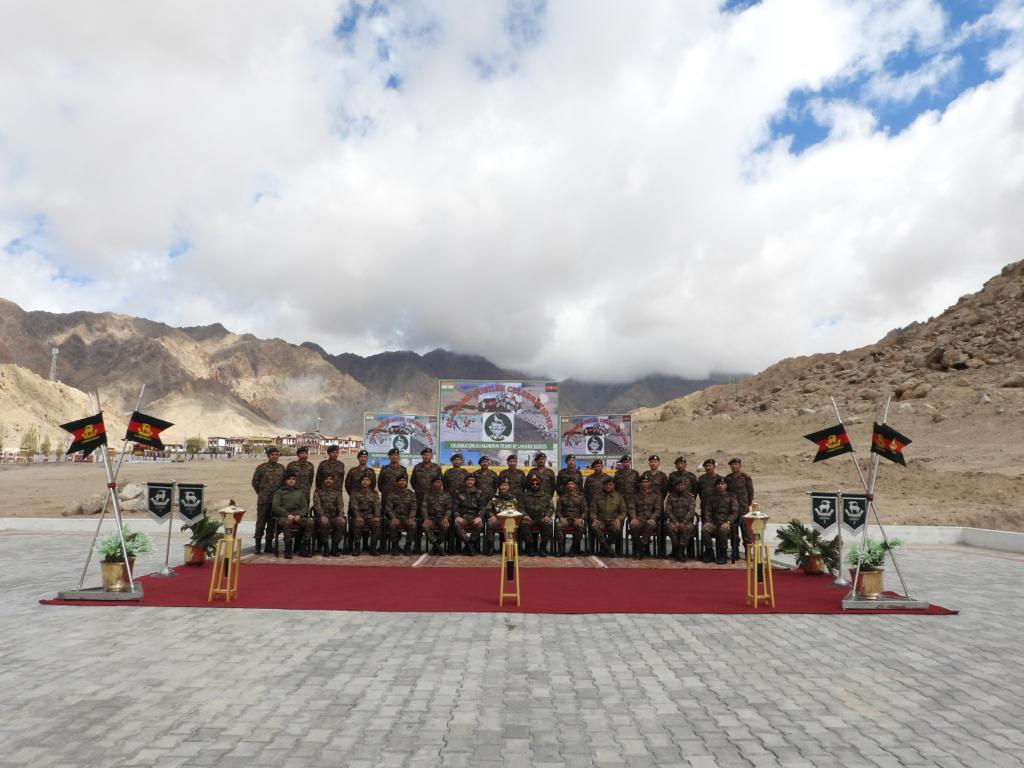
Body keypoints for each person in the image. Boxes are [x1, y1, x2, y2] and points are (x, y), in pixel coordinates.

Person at [251, 446, 286, 554]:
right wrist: (261, 493)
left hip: (276, 501)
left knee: (272, 524)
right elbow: (255, 482)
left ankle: (268, 545)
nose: (275, 457)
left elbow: (283, 483)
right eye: (272, 455)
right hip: (264, 500)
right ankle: (257, 546)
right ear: (268, 456)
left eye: (276, 455)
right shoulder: (261, 467)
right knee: (261, 523)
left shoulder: (281, 468)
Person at [272, 470, 312, 559]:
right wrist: (287, 515)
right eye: (289, 479)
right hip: (283, 517)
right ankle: (288, 549)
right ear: (285, 480)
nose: (291, 481)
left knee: (310, 523)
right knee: (287, 523)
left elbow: (305, 507)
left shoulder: (299, 492)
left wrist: (300, 515)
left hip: (297, 516)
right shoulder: (279, 492)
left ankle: (303, 548)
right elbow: (276, 506)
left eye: (293, 479)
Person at [410, 448, 442, 553]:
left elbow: (439, 481)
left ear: (431, 456)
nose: (426, 456)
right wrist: (420, 491)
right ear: (422, 456)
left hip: (433, 500)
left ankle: (435, 546)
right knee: (418, 522)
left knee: (434, 519)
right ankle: (417, 545)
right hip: (419, 499)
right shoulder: (417, 467)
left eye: (428, 455)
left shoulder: (436, 468)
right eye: (424, 455)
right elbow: (413, 482)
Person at [701, 476, 738, 564]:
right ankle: (710, 552)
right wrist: (707, 521)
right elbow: (708, 511)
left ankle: (722, 554)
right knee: (705, 530)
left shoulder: (731, 497)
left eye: (722, 484)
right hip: (714, 523)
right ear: (715, 486)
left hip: (726, 524)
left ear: (726, 485)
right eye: (718, 484)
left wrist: (728, 522)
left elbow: (734, 512)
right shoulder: (711, 497)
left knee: (722, 530)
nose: (720, 486)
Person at [724, 457, 755, 556]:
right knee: (733, 532)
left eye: (736, 464)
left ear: (740, 465)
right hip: (732, 509)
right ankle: (735, 551)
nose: (734, 466)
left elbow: (750, 492)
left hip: (743, 508)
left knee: (746, 531)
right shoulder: (727, 478)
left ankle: (748, 552)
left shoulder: (745, 477)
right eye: (732, 464)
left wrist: (747, 504)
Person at [590, 476, 626, 557]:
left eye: (610, 484)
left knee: (616, 528)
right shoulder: (597, 496)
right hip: (601, 520)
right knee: (595, 526)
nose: (608, 486)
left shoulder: (619, 497)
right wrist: (594, 518)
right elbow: (592, 511)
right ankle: (609, 549)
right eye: (606, 485)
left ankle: (604, 548)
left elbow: (623, 512)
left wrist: (618, 518)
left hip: (613, 520)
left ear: (614, 486)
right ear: (603, 486)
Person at [312, 473, 346, 557]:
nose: (328, 481)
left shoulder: (337, 493)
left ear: (333, 481)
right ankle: (326, 546)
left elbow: (340, 506)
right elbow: (317, 506)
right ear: (323, 481)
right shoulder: (318, 492)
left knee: (341, 523)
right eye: (326, 479)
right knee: (325, 523)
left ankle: (334, 546)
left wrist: (341, 516)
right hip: (321, 517)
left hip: (334, 516)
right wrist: (322, 515)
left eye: (330, 479)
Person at [520, 474, 554, 556]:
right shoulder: (525, 495)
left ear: (540, 484)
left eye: (537, 484)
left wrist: (547, 516)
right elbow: (520, 507)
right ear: (530, 485)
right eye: (533, 484)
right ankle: (530, 547)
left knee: (548, 524)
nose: (535, 485)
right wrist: (524, 515)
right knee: (524, 525)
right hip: (529, 518)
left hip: (542, 518)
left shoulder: (546, 495)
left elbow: (551, 507)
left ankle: (543, 547)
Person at [348, 474, 382, 556]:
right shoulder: (355, 493)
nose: (365, 482)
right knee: (357, 523)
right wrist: (357, 516)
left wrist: (377, 516)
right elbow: (354, 506)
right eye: (363, 480)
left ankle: (373, 548)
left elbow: (377, 505)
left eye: (367, 480)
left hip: (370, 516)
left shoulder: (374, 493)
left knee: (377, 524)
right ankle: (357, 548)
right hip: (359, 516)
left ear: (370, 482)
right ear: (360, 482)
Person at [664, 479, 697, 562]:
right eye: (678, 485)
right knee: (669, 527)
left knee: (688, 528)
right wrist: (675, 522)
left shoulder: (690, 497)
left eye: (682, 485)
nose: (680, 487)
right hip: (673, 521)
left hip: (686, 522)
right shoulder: (671, 496)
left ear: (685, 486)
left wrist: (684, 522)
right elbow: (668, 511)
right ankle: (678, 549)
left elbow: (691, 511)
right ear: (675, 486)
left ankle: (681, 551)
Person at [385, 475, 418, 555]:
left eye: (404, 480)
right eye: (400, 480)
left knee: (413, 525)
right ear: (397, 482)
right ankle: (395, 546)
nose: (402, 482)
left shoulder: (411, 494)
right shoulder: (391, 494)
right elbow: (389, 508)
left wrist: (411, 518)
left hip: (407, 518)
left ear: (406, 482)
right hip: (395, 518)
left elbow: (414, 507)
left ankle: (407, 546)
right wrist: (393, 517)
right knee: (392, 525)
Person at [484, 479, 519, 555]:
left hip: (509, 519)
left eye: (506, 485)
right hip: (497, 519)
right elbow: (487, 510)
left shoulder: (513, 498)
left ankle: (509, 548)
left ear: (509, 487)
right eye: (502, 485)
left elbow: (517, 510)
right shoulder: (493, 497)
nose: (504, 487)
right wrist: (491, 516)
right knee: (490, 523)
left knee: (513, 525)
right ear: (499, 487)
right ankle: (490, 548)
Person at [631, 476, 661, 559]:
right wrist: (633, 517)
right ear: (640, 484)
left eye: (646, 482)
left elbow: (658, 509)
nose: (644, 484)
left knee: (650, 525)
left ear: (650, 483)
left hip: (650, 518)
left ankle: (640, 547)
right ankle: (641, 547)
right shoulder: (635, 495)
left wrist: (653, 518)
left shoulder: (655, 495)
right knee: (633, 526)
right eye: (643, 482)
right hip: (639, 518)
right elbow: (632, 508)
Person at [555, 478, 587, 556]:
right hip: (565, 519)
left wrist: (581, 518)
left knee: (581, 527)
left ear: (575, 485)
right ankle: (561, 550)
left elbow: (585, 510)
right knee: (558, 526)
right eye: (568, 484)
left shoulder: (581, 498)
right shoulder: (562, 498)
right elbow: (558, 511)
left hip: (576, 519)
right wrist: (561, 518)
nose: (570, 485)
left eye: (572, 484)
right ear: (566, 486)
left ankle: (573, 549)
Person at [422, 476, 453, 556]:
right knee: (425, 526)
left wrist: (446, 518)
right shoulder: (427, 494)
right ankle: (438, 546)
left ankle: (435, 546)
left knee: (446, 526)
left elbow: (449, 509)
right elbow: (424, 508)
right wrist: (426, 518)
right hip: (431, 518)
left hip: (442, 518)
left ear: (442, 483)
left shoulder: (446, 494)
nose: (437, 484)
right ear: (432, 484)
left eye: (439, 482)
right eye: (435, 482)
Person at [453, 474, 484, 555]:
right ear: (465, 481)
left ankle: (469, 543)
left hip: (474, 516)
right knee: (457, 524)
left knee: (480, 525)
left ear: (474, 481)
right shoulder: (459, 492)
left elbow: (482, 507)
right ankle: (468, 544)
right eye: (468, 480)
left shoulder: (479, 492)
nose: (470, 481)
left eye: (472, 480)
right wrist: (457, 516)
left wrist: (479, 517)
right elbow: (455, 506)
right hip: (463, 516)